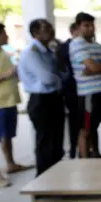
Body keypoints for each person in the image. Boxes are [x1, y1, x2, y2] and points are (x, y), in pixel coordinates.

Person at [18, 19, 66, 177]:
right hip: (41, 100)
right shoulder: (31, 52)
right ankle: (44, 179)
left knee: (57, 141)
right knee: (45, 142)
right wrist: (60, 80)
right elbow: (46, 78)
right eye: (46, 28)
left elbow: (61, 71)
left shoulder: (49, 51)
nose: (51, 31)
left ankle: (55, 176)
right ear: (36, 33)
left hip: (54, 98)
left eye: (51, 27)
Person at [0, 23, 33, 187]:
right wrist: (8, 74)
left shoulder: (3, 52)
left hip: (10, 100)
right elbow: (4, 74)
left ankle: (10, 164)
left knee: (7, 135)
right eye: (4, 33)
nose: (7, 36)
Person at [69, 12, 101, 158]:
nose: (90, 28)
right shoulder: (77, 44)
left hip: (99, 91)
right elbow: (94, 67)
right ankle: (85, 160)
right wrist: (97, 68)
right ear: (79, 27)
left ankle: (96, 154)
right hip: (87, 93)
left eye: (92, 25)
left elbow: (97, 68)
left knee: (94, 126)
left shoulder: (96, 45)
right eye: (86, 25)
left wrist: (96, 68)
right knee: (85, 129)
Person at [57, 22, 80, 158]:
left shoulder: (86, 45)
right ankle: (73, 149)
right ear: (73, 31)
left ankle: (85, 149)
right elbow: (62, 70)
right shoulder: (64, 48)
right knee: (74, 121)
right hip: (71, 90)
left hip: (85, 89)